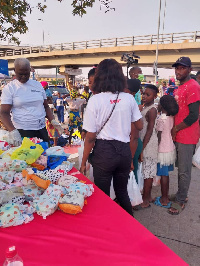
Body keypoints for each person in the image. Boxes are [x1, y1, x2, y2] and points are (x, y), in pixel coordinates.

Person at [80, 59, 143, 216]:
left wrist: (83, 162)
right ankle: (130, 227)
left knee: (103, 196)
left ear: (101, 76)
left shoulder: (95, 100)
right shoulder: (129, 98)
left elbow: (90, 137)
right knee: (122, 192)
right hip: (123, 151)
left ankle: (106, 230)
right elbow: (140, 126)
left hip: (104, 153)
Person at [0, 58, 63, 146]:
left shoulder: (37, 85)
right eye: (20, 74)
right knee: (27, 158)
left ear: (30, 70)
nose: (23, 77)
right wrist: (12, 131)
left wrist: (52, 120)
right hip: (22, 131)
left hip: (41, 129)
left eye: (26, 74)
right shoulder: (10, 88)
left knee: (44, 157)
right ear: (15, 71)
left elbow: (45, 106)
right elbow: (3, 113)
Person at [168, 57, 200, 215]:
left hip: (187, 135)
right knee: (180, 168)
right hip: (179, 134)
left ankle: (181, 200)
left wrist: (176, 129)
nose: (178, 71)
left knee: (184, 170)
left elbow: (194, 115)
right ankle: (181, 194)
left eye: (182, 68)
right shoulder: (180, 87)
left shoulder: (193, 86)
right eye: (177, 68)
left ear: (189, 69)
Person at [134, 84, 159, 210]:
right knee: (146, 171)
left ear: (155, 96)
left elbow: (149, 130)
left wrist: (142, 148)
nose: (144, 96)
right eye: (143, 93)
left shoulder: (152, 110)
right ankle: (148, 197)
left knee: (148, 173)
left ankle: (145, 200)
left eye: (147, 95)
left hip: (149, 143)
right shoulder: (146, 107)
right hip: (145, 141)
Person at [153, 95, 179, 208]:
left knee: (163, 175)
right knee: (166, 174)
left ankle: (164, 199)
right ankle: (165, 196)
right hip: (170, 149)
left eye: (158, 103)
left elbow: (158, 137)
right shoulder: (171, 117)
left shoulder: (161, 119)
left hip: (162, 151)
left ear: (162, 106)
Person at [125, 79, 143, 183]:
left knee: (131, 172)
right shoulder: (129, 104)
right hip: (132, 144)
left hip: (132, 145)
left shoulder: (132, 106)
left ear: (132, 93)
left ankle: (132, 197)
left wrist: (130, 158)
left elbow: (134, 135)